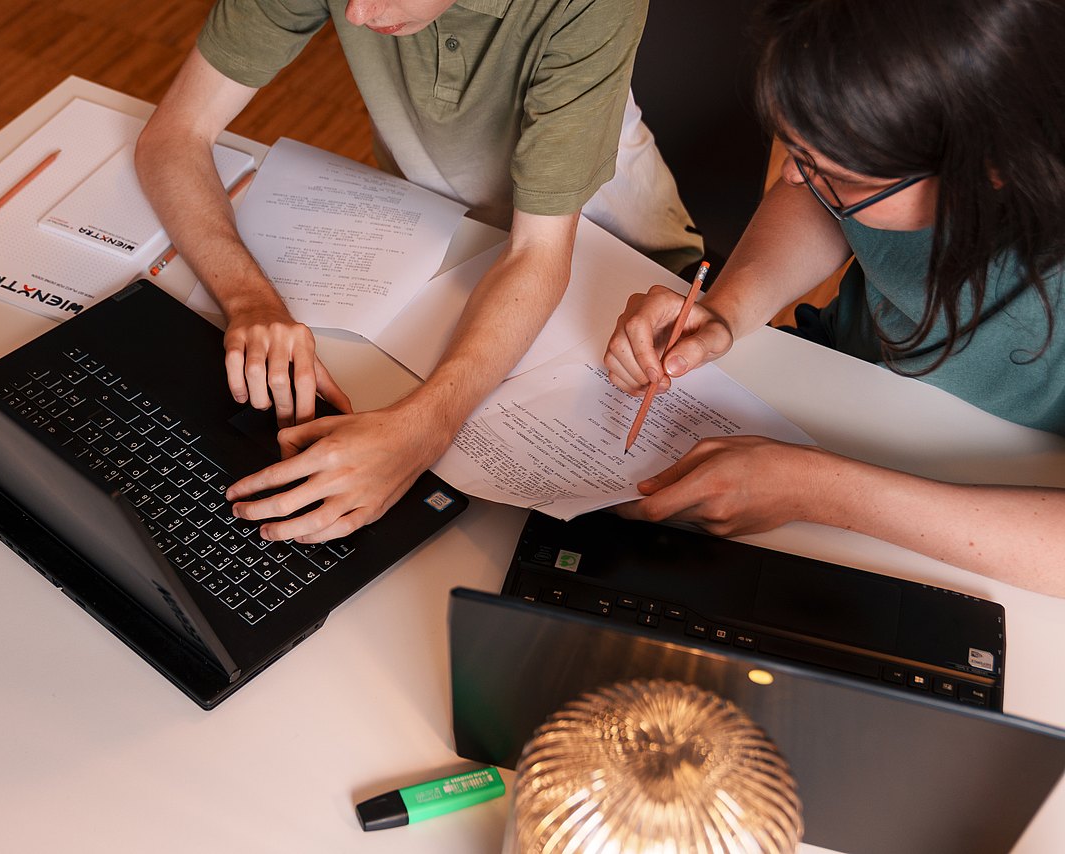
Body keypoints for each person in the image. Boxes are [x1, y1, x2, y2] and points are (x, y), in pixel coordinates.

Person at [136, 0, 700, 543]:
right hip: (441, 236)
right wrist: (249, 300)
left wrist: (425, 431)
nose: (354, 14)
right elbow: (174, 134)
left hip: (607, 263)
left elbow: (538, 253)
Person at [604, 0, 1065, 597]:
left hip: (999, 511)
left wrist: (816, 490)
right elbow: (817, 199)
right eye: (797, 151)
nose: (793, 179)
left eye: (840, 176)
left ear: (992, 166)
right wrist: (728, 309)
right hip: (842, 382)